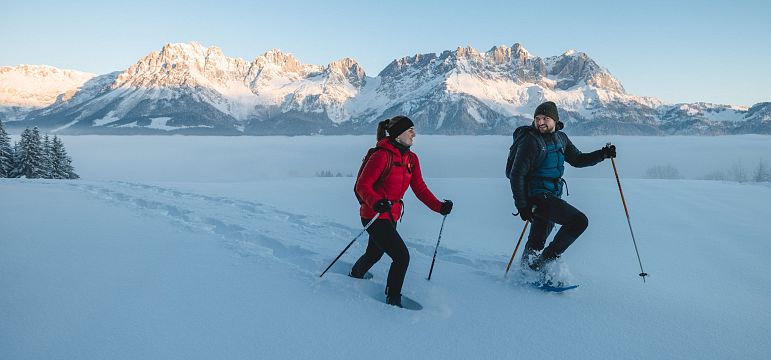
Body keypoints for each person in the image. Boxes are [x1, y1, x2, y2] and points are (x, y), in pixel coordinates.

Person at [351, 115, 453, 307]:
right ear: (398, 135)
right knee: (401, 256)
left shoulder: (411, 159)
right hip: (373, 214)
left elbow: (420, 189)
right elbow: (362, 186)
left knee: (375, 253)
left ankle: (355, 274)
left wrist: (439, 207)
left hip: (392, 214)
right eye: (410, 130)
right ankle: (393, 299)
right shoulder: (381, 155)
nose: (414, 134)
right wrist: (376, 202)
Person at [508, 101, 616, 272]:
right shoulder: (530, 141)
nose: (541, 122)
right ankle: (542, 263)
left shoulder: (561, 138)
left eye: (546, 118)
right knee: (579, 221)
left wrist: (602, 154)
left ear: (555, 120)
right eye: (537, 118)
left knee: (537, 241)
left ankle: (526, 271)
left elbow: (578, 159)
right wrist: (522, 206)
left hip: (552, 194)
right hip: (538, 196)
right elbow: (516, 174)